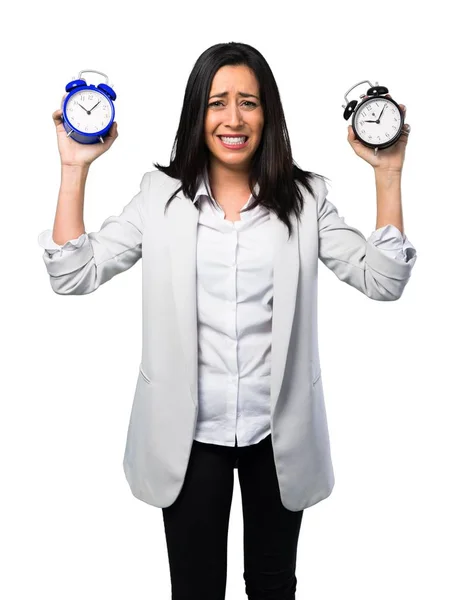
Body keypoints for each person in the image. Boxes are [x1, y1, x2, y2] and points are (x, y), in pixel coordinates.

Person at [38, 42, 417, 600]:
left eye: (249, 102)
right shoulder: (158, 198)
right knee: (194, 591)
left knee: (272, 587)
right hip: (188, 436)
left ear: (269, 115)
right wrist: (73, 169)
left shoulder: (307, 200)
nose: (234, 119)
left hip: (278, 434)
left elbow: (383, 281)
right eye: (218, 103)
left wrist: (388, 175)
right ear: (199, 113)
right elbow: (74, 274)